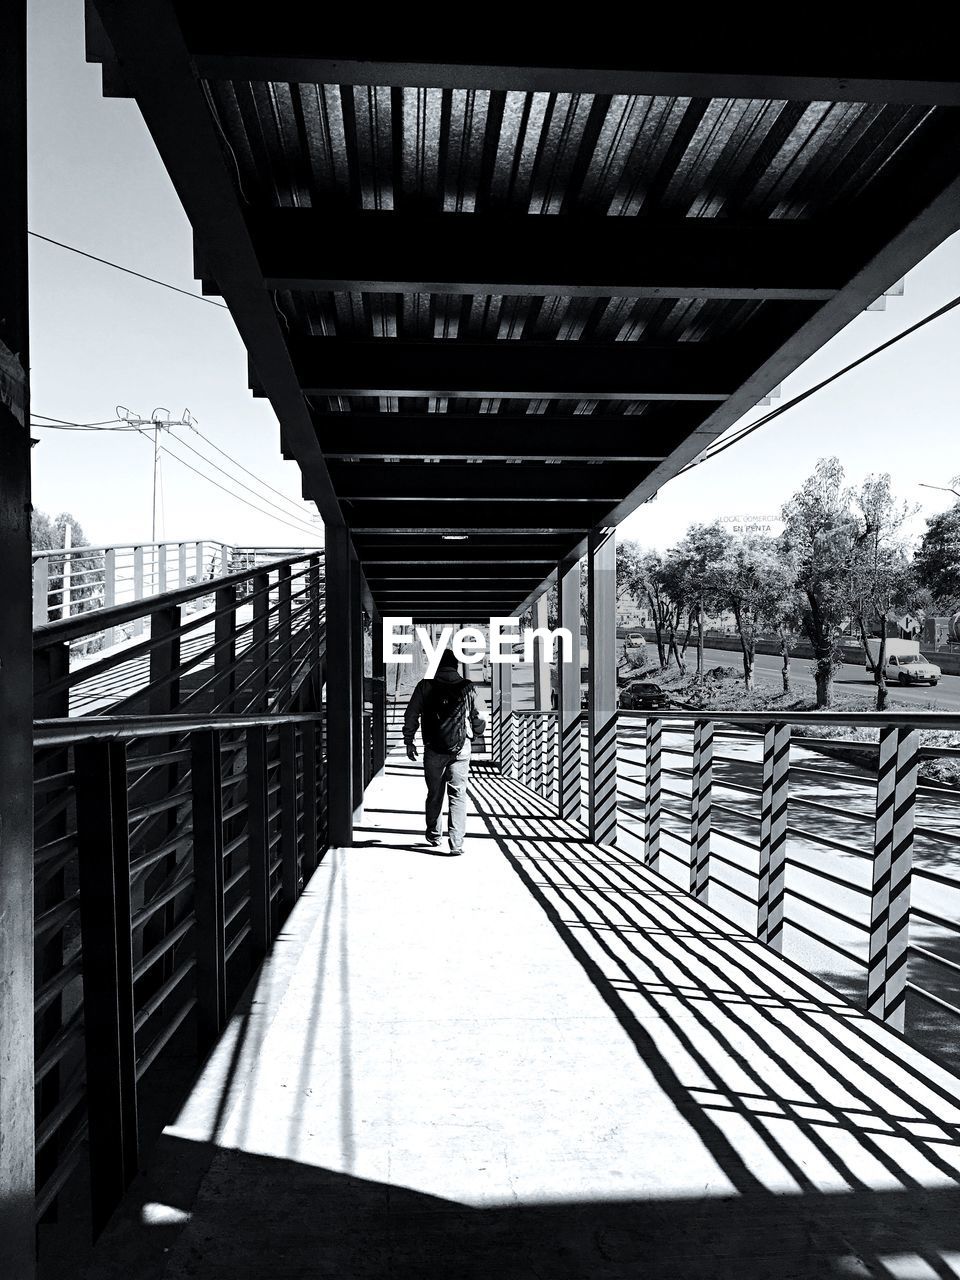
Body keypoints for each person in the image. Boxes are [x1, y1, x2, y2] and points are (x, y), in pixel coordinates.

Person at [403, 649, 486, 856]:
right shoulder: (467, 687)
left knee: (434, 793)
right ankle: (456, 843)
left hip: (433, 748)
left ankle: (434, 834)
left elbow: (411, 714)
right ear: (456, 666)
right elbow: (481, 716)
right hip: (461, 747)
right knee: (458, 794)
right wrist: (474, 733)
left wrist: (409, 741)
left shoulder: (425, 686)